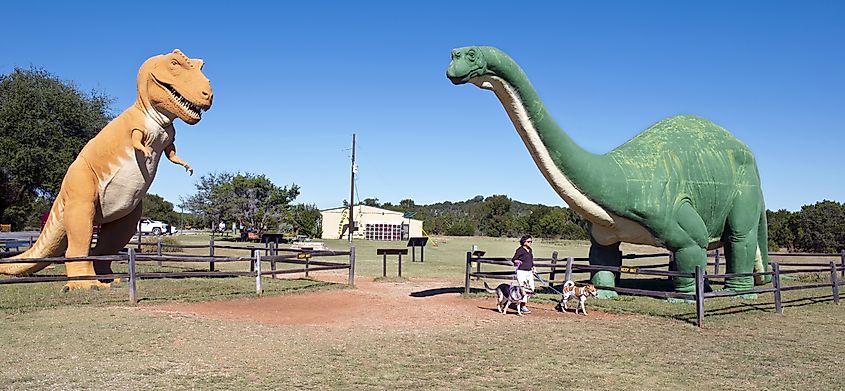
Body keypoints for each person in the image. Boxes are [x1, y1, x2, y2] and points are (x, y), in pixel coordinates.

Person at [511, 234, 536, 314]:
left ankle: (520, 302)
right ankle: (523, 306)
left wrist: (533, 267)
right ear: (524, 242)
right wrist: (516, 261)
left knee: (531, 288)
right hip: (521, 271)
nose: (530, 243)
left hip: (529, 271)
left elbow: (531, 260)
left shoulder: (530, 250)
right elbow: (514, 259)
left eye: (531, 241)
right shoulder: (520, 250)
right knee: (523, 289)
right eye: (528, 241)